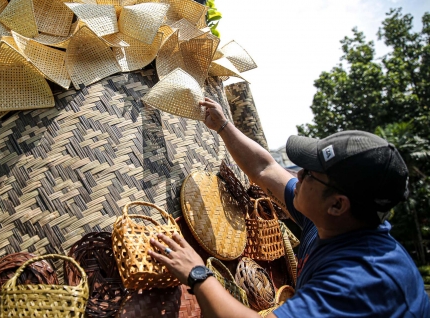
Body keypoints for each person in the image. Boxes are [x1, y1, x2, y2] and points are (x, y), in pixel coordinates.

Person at [147, 97, 430, 317]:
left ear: (337, 204)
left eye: (309, 174)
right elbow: (265, 167)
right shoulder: (332, 221)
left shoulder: (361, 281)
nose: (297, 175)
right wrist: (222, 125)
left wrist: (197, 274)